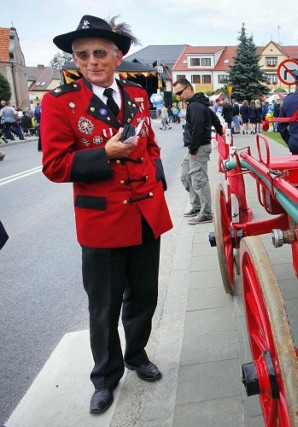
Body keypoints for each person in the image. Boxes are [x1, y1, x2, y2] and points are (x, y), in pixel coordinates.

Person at [40, 15, 173, 415]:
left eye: (100, 52)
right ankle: (105, 377)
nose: (92, 61)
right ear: (75, 61)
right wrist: (105, 155)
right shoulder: (60, 103)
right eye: (83, 55)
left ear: (118, 55)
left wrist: (154, 172)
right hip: (101, 224)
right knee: (104, 308)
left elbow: (149, 144)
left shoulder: (135, 93)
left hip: (146, 215)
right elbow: (55, 165)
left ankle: (136, 355)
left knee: (144, 298)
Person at [174, 78, 223, 225]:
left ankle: (206, 212)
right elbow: (213, 117)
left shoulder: (195, 105)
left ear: (188, 88)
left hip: (198, 147)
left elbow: (197, 128)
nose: (179, 97)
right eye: (177, 94)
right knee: (186, 177)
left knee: (199, 180)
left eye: (180, 93)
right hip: (195, 147)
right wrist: (220, 130)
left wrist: (194, 148)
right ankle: (197, 206)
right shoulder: (199, 103)